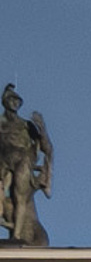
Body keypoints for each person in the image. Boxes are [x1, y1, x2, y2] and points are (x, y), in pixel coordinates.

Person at [0, 86, 50, 246]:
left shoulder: (26, 125)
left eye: (17, 100)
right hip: (3, 163)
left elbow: (46, 148)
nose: (15, 103)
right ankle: (10, 226)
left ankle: (16, 234)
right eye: (12, 100)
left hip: (22, 161)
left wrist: (42, 131)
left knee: (20, 197)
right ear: (5, 102)